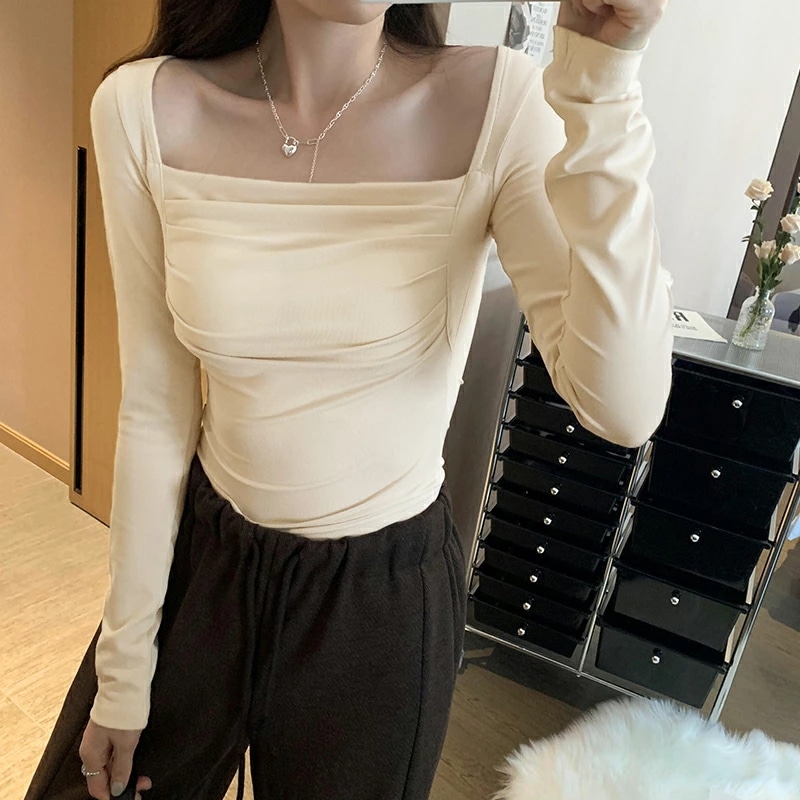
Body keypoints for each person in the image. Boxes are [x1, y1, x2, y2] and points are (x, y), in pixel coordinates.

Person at [25, 0, 673, 798]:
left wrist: (602, 85)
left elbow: (622, 406)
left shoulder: (501, 104)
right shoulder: (142, 107)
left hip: (381, 602)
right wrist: (124, 674)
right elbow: (156, 409)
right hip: (205, 565)